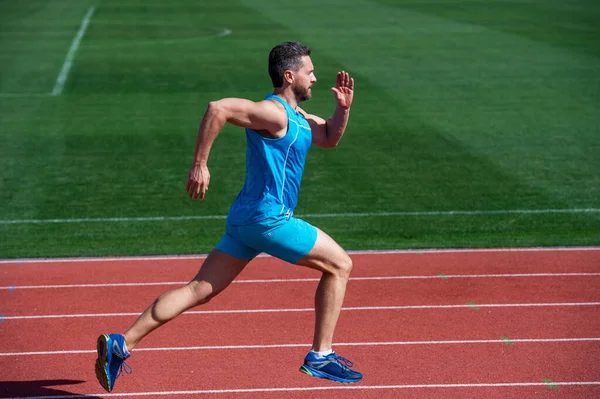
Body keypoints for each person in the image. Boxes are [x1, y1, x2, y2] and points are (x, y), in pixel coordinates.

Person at [94, 41, 361, 392]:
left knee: (198, 290)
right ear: (289, 75)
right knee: (340, 265)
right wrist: (200, 164)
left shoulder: (298, 118)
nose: (314, 78)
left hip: (244, 221)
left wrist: (342, 110)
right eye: (309, 72)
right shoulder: (274, 113)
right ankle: (320, 355)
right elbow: (218, 108)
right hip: (270, 220)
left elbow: (327, 138)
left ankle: (121, 343)